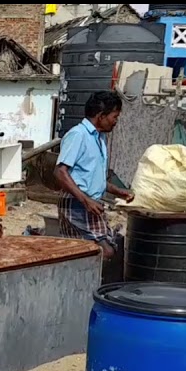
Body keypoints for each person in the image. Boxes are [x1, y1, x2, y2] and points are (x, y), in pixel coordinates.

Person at [53, 91, 134, 259]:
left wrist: (118, 191)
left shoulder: (100, 138)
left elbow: (94, 178)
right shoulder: (78, 135)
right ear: (101, 116)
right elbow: (60, 172)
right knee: (103, 251)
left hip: (91, 203)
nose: (115, 122)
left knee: (92, 250)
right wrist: (85, 200)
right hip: (77, 203)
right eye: (114, 117)